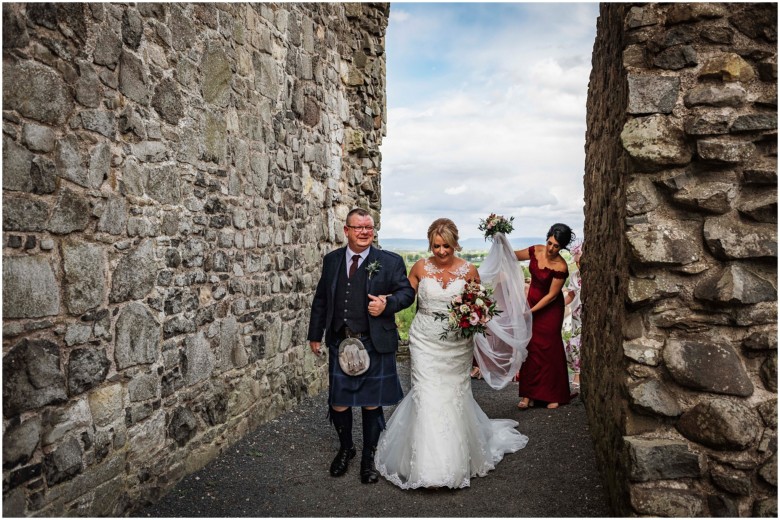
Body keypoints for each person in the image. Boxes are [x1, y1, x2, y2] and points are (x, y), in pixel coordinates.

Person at [374, 218, 528, 489]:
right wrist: (386, 302)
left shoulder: (469, 270)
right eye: (436, 246)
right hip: (424, 340)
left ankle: (454, 460)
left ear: (455, 244)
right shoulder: (421, 267)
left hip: (456, 344)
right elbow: (405, 296)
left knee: (452, 395)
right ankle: (426, 464)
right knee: (427, 393)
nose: (441, 251)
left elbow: (480, 306)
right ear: (429, 243)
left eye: (446, 246)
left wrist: (475, 318)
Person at [308, 208, 416, 484]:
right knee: (339, 402)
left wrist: (387, 304)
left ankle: (369, 456)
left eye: (369, 227)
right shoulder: (332, 261)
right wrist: (315, 334)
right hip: (341, 341)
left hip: (374, 341)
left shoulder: (389, 261)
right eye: (358, 228)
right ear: (346, 231)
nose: (365, 232)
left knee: (370, 403)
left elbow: (407, 293)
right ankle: (346, 448)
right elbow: (321, 298)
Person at [514, 223, 575, 410]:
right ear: (547, 238)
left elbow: (550, 297)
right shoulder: (535, 250)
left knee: (549, 349)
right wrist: (498, 238)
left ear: (562, 247)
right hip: (531, 303)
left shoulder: (561, 266)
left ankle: (553, 394)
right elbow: (512, 256)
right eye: (549, 243)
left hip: (548, 311)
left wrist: (529, 312)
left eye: (556, 246)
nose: (551, 248)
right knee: (530, 347)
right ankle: (527, 395)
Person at [563, 242, 583, 396]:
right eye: (576, 261)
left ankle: (578, 375)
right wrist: (558, 304)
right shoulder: (574, 275)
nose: (578, 263)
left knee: (580, 343)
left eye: (580, 260)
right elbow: (570, 295)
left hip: (588, 313)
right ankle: (577, 373)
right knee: (573, 343)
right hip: (577, 314)